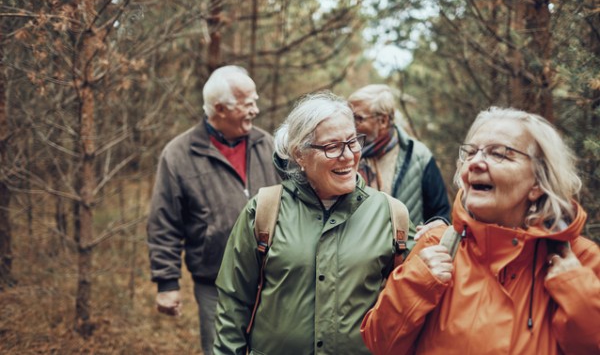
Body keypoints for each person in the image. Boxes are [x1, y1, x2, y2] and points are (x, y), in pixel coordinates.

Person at [361, 106, 600, 354]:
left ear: (537, 183)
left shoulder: (580, 261)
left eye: (499, 154)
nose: (475, 163)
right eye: (471, 153)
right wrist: (414, 284)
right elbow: (380, 343)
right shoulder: (436, 246)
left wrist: (577, 292)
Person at [213, 92, 415, 355]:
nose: (347, 156)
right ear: (300, 154)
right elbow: (233, 304)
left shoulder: (391, 214)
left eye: (352, 142)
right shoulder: (264, 211)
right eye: (332, 146)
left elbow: (413, 303)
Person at [146, 65, 280, 355]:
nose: (255, 110)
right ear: (220, 109)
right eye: (247, 104)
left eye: (255, 101)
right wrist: (167, 282)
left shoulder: (267, 144)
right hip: (215, 282)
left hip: (274, 278)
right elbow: (164, 222)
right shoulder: (179, 154)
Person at [348, 84, 451, 226]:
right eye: (349, 117)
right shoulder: (346, 154)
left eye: (358, 118)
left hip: (408, 247)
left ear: (383, 121)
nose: (351, 124)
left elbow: (440, 214)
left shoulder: (419, 156)